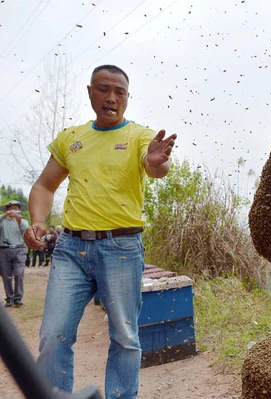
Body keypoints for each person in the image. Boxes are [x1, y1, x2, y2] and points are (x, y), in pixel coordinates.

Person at [24, 64, 177, 399]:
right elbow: (44, 186)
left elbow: (157, 167)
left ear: (127, 97)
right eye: (103, 89)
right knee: (53, 335)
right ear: (90, 92)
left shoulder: (139, 136)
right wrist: (37, 220)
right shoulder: (71, 138)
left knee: (125, 337)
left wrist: (155, 161)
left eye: (119, 91)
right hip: (70, 250)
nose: (111, 97)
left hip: (121, 248)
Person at [0, 200, 29, 307]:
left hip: (19, 250)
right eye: (11, 208)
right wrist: (3, 216)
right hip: (3, 250)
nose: (13, 210)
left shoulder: (24, 221)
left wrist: (19, 221)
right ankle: (9, 298)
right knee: (6, 275)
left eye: (16, 208)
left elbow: (26, 231)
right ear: (7, 210)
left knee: (19, 273)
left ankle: (18, 298)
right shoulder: (2, 221)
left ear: (19, 210)